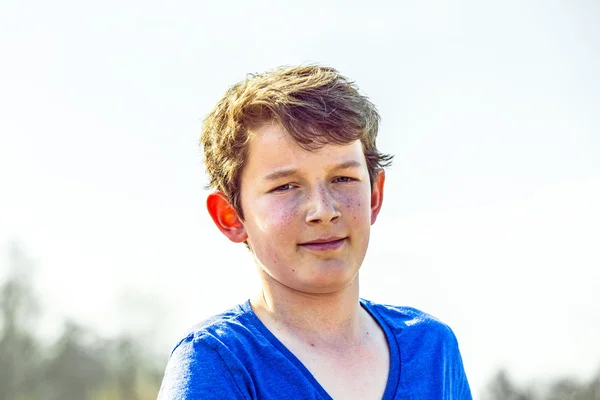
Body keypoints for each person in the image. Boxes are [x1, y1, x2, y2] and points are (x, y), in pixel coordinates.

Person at [157, 65, 472, 399]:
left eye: (343, 179)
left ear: (374, 196)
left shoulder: (432, 349)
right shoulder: (217, 362)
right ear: (231, 216)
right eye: (286, 186)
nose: (323, 211)